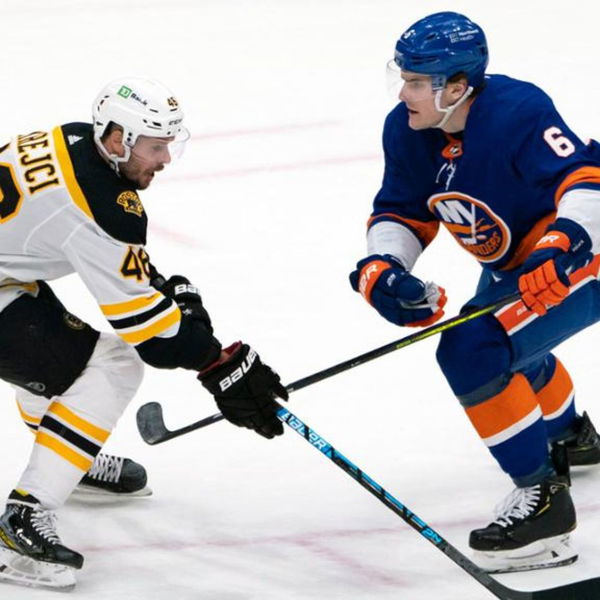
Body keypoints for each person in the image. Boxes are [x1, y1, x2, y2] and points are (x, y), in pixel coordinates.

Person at [0, 77, 287, 590]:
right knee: (112, 365)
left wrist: (155, 286)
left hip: (7, 277)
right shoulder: (102, 204)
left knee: (49, 351)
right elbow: (150, 339)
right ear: (117, 141)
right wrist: (217, 362)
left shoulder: (73, 139)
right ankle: (22, 519)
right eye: (156, 147)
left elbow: (110, 263)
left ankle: (70, 459)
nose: (166, 159)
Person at [349, 12, 600, 573]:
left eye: (417, 81)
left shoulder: (517, 111)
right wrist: (384, 266)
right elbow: (401, 210)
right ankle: (572, 437)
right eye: (404, 77)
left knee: (474, 349)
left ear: (457, 87)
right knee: (509, 347)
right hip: (515, 259)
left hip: (585, 252)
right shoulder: (407, 129)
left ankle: (545, 508)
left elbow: (586, 180)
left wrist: (561, 244)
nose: (404, 92)